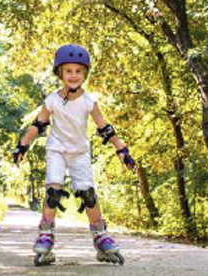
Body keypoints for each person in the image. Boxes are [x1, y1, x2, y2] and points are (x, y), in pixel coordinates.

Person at [12, 44, 135, 266]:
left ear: (85, 74)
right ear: (60, 73)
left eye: (78, 71)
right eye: (68, 71)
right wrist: (22, 145)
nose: (73, 76)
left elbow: (105, 128)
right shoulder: (51, 100)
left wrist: (121, 150)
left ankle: (101, 236)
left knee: (88, 193)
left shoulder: (89, 102)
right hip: (56, 149)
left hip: (80, 152)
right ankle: (46, 234)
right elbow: (37, 125)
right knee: (53, 190)